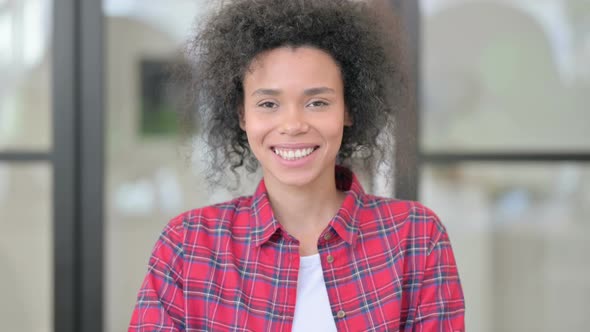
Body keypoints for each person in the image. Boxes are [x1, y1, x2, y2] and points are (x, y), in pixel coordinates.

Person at [129, 0, 465, 331]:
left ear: (349, 110)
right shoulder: (188, 247)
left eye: (317, 102)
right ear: (242, 115)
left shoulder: (416, 239)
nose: (293, 124)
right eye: (268, 103)